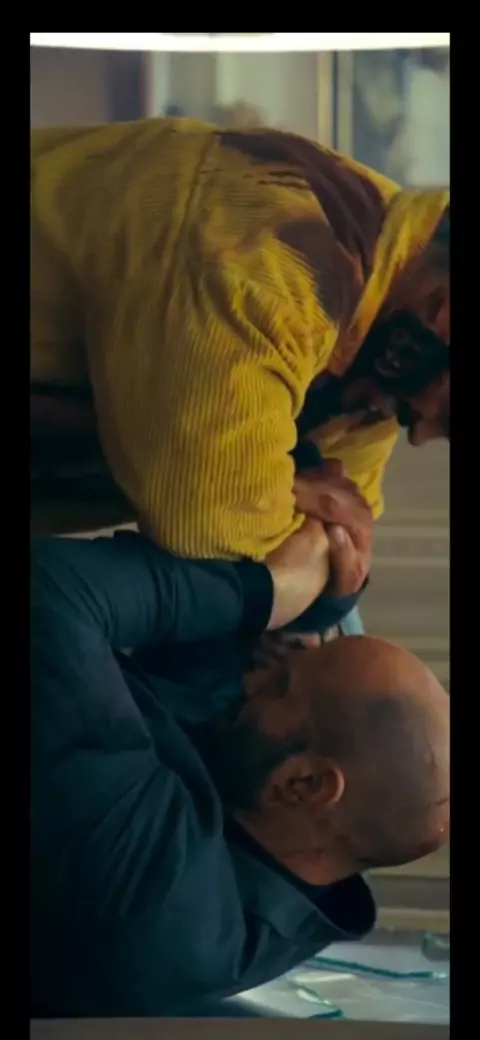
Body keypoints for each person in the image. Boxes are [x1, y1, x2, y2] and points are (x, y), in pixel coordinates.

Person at [31, 529, 450, 1017]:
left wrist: (263, 592)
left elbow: (48, 591)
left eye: (280, 686)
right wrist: (320, 596)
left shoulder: (161, 896)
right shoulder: (275, 816)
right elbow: (189, 682)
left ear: (305, 784)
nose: (253, 679)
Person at [31, 119, 449, 562]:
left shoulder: (379, 352)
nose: (421, 436)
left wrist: (294, 522)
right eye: (446, 414)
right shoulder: (275, 260)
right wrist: (289, 528)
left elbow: (340, 543)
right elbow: (209, 523)